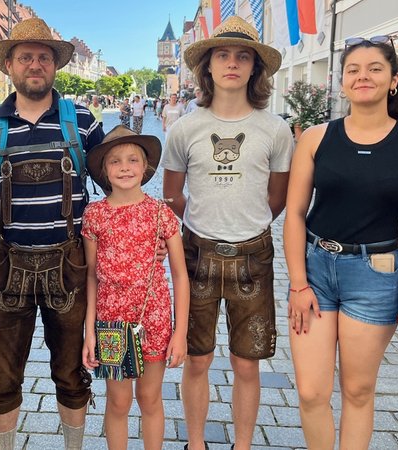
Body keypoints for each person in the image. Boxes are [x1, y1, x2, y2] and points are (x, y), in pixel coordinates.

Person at [283, 35, 398, 450]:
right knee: (311, 393)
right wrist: (298, 283)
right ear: (341, 83)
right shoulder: (316, 138)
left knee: (357, 391)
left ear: (393, 80)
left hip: (375, 278)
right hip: (317, 271)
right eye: (353, 70)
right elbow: (295, 214)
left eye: (375, 68)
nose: (363, 77)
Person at [0, 17, 104, 450]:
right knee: (3, 377)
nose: (34, 65)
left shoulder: (82, 122)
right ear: (9, 64)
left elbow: (118, 188)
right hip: (6, 266)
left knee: (71, 373)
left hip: (69, 265)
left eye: (42, 57)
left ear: (55, 66)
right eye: (25, 56)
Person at [163, 16, 292, 450]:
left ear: (255, 67)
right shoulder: (185, 128)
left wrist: (245, 222)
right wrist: (207, 222)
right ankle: (195, 442)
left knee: (247, 364)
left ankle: (242, 444)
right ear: (209, 66)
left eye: (242, 56)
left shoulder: (274, 129)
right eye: (223, 55)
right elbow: (172, 195)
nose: (232, 63)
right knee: (196, 359)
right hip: (197, 252)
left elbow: (278, 197)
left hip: (253, 256)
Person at [81, 125, 189, 450]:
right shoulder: (94, 216)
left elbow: (180, 275)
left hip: (153, 322)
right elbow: (90, 275)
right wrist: (89, 330)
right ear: (104, 170)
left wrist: (180, 331)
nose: (125, 167)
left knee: (150, 397)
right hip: (111, 324)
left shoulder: (160, 214)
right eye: (115, 161)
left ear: (145, 167)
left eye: (132, 160)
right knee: (117, 402)